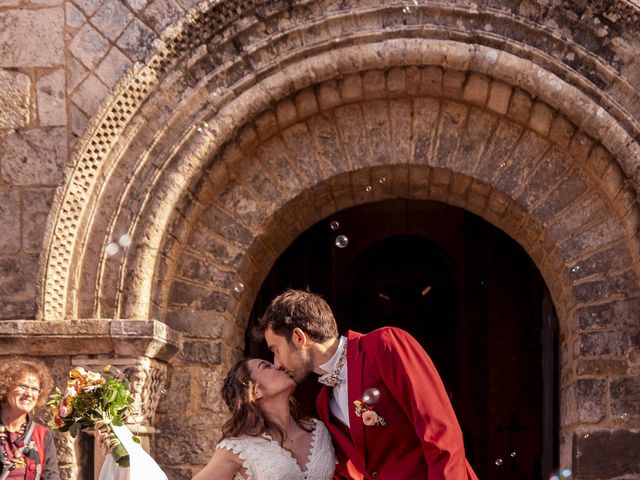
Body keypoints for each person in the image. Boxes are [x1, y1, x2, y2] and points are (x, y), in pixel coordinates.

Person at [255, 289, 479, 480]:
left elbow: (441, 434)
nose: (277, 363)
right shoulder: (324, 401)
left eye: (275, 350)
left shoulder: (385, 345)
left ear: (299, 338)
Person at [193, 358, 335, 480]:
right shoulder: (239, 447)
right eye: (266, 366)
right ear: (255, 391)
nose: (279, 365)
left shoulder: (319, 430)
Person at [0, 357, 60, 480]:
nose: (29, 394)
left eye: (34, 389)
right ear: (7, 387)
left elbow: (51, 477)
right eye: (23, 386)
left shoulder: (42, 434)